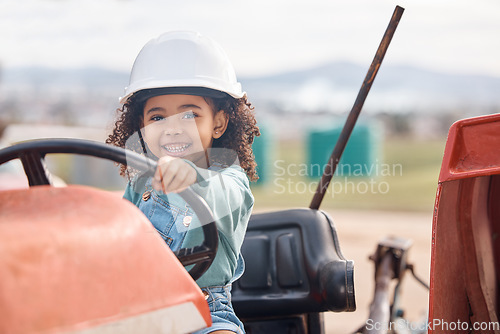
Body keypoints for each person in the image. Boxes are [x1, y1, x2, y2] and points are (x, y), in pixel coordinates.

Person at [106, 31, 259, 334]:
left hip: (204, 312)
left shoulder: (228, 179)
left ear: (218, 123)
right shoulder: (140, 186)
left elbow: (221, 194)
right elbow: (116, 237)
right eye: (157, 117)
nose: (172, 129)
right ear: (142, 126)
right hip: (139, 311)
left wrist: (191, 176)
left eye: (189, 115)